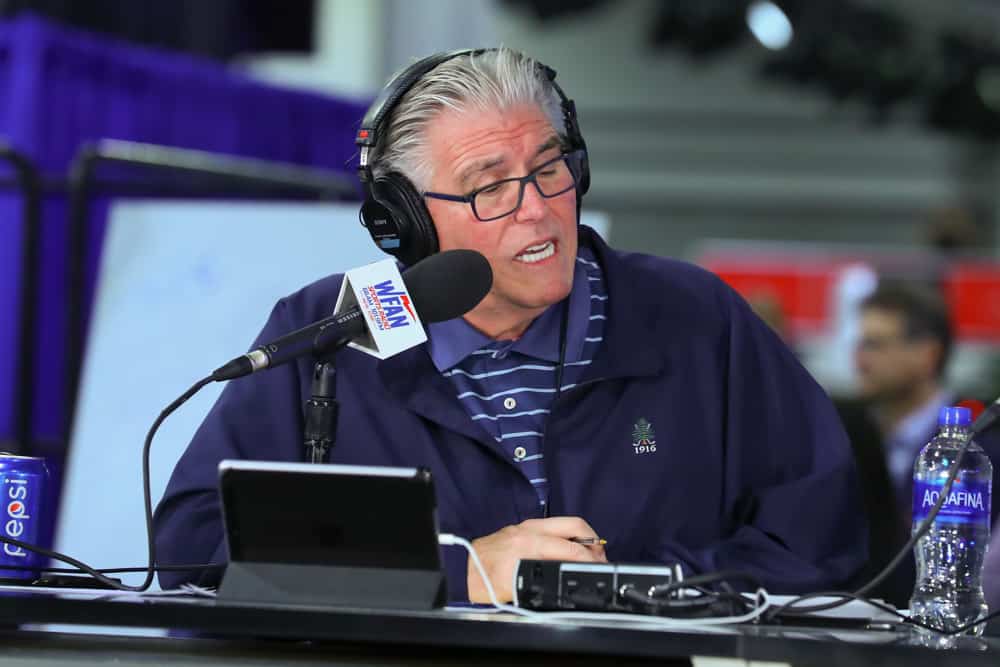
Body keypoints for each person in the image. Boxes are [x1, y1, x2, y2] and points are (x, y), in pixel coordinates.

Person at [154, 48, 866, 603]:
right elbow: (194, 546)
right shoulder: (330, 328)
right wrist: (460, 573)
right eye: (490, 185)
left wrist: (634, 592)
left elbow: (819, 537)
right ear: (402, 223)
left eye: (549, 166)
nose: (536, 208)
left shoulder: (695, 318)